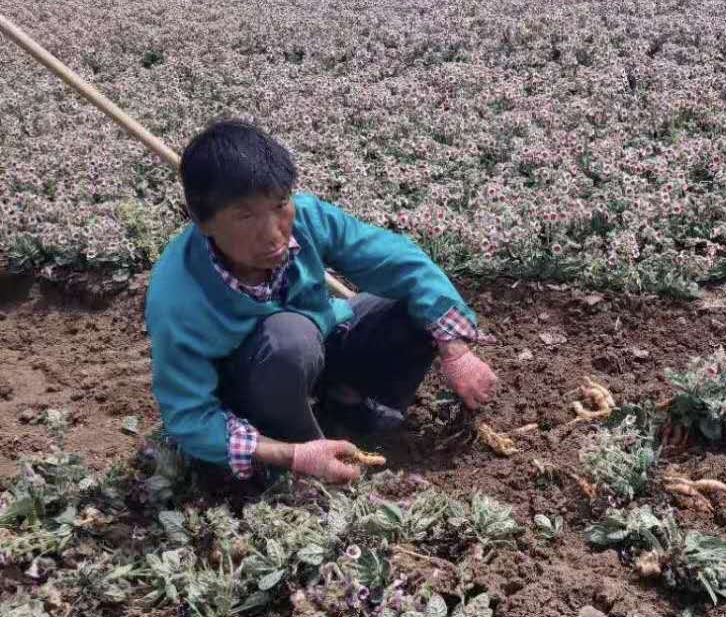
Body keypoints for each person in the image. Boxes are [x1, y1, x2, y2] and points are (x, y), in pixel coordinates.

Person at [145, 119, 497, 485]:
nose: (272, 234)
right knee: (289, 340)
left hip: (318, 345)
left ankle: (349, 408)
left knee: (410, 301)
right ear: (203, 222)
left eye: (280, 204)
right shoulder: (177, 297)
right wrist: (291, 453)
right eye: (245, 215)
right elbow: (190, 415)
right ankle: (303, 455)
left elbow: (400, 262)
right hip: (250, 396)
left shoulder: (308, 218)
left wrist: (455, 350)